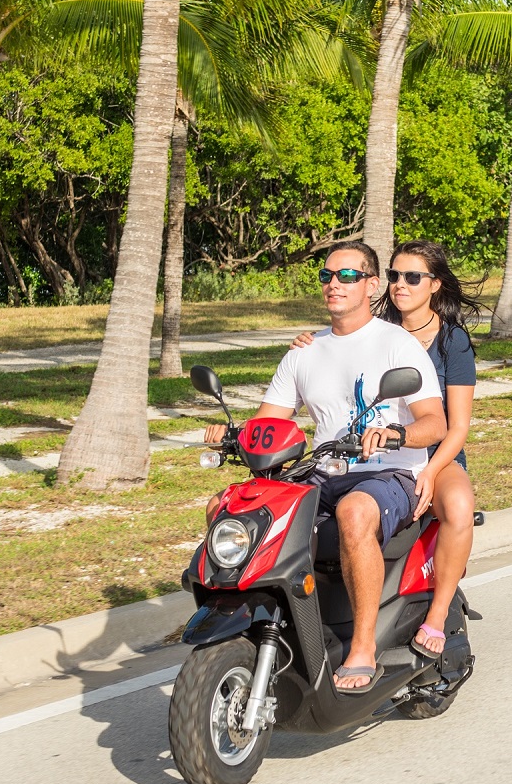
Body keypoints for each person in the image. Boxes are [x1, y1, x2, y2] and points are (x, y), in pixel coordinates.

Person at [203, 241, 446, 692]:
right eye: (327, 276)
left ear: (372, 285)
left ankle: (362, 647)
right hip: (321, 470)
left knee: (355, 513)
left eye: (348, 276)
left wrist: (395, 435)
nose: (334, 284)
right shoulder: (305, 350)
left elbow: (435, 422)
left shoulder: (396, 344)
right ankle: (265, 626)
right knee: (228, 505)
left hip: (387, 472)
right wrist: (234, 433)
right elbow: (269, 421)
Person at [290, 240, 480, 662]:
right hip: (367, 453)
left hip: (436, 450)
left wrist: (429, 473)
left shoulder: (453, 342)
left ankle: (436, 614)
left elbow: (457, 425)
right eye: (394, 275)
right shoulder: (379, 329)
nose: (400, 285)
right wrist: (310, 341)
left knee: (458, 508)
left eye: (412, 277)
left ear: (434, 285)